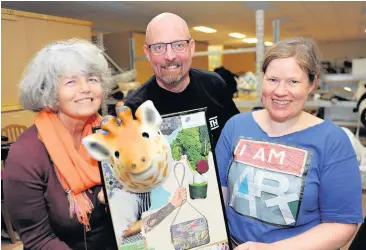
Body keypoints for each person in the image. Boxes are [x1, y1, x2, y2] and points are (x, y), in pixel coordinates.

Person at [215, 37, 363, 250]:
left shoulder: (332, 141)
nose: (280, 91)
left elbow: (342, 224)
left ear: (312, 84)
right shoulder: (236, 127)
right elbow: (219, 193)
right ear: (262, 78)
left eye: (293, 81)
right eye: (272, 79)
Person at [3, 39, 117, 250]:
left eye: (92, 79)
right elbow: (38, 240)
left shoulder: (112, 135)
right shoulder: (27, 154)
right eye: (71, 82)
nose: (85, 89)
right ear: (50, 93)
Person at [124, 12, 240, 148]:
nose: (170, 56)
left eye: (178, 45)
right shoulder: (135, 109)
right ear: (148, 53)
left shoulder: (214, 85)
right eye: (159, 47)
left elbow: (236, 134)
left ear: (191, 48)